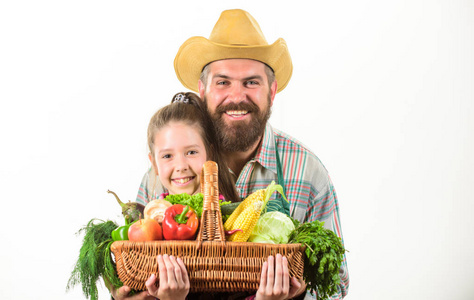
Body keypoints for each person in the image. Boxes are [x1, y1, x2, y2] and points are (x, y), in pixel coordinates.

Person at [138, 9, 349, 300]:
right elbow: (132, 275)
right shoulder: (166, 173)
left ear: (271, 91)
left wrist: (298, 297)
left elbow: (335, 287)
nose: (237, 96)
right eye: (223, 82)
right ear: (203, 90)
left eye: (251, 82)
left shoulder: (307, 172)